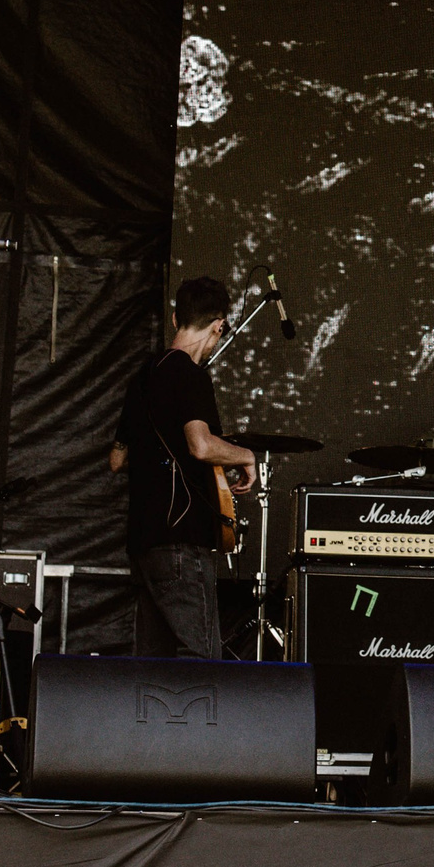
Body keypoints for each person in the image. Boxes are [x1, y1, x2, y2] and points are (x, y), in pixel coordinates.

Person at [108, 276, 256, 660]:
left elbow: (116, 459)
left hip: (143, 540)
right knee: (200, 660)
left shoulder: (142, 377)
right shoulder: (190, 376)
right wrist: (246, 456)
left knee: (154, 665)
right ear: (218, 326)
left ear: (175, 318)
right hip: (179, 538)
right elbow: (201, 445)